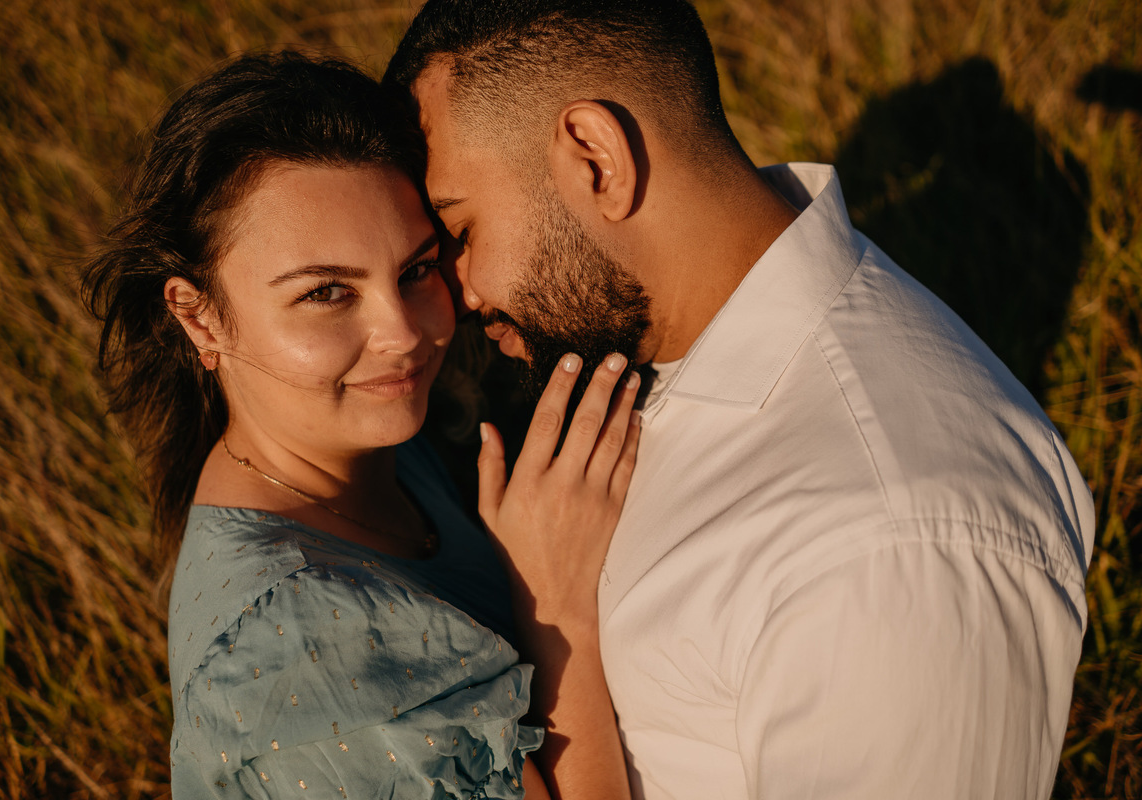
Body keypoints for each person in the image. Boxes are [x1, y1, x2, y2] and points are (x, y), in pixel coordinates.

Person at [384, 2, 1097, 798]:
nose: (460, 290)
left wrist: (557, 622)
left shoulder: (887, 544)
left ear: (597, 158)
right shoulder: (644, 351)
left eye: (463, 228)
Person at [82, 50, 641, 799]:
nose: (404, 333)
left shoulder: (384, 444)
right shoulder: (303, 648)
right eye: (324, 294)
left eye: (415, 270)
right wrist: (560, 611)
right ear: (199, 315)